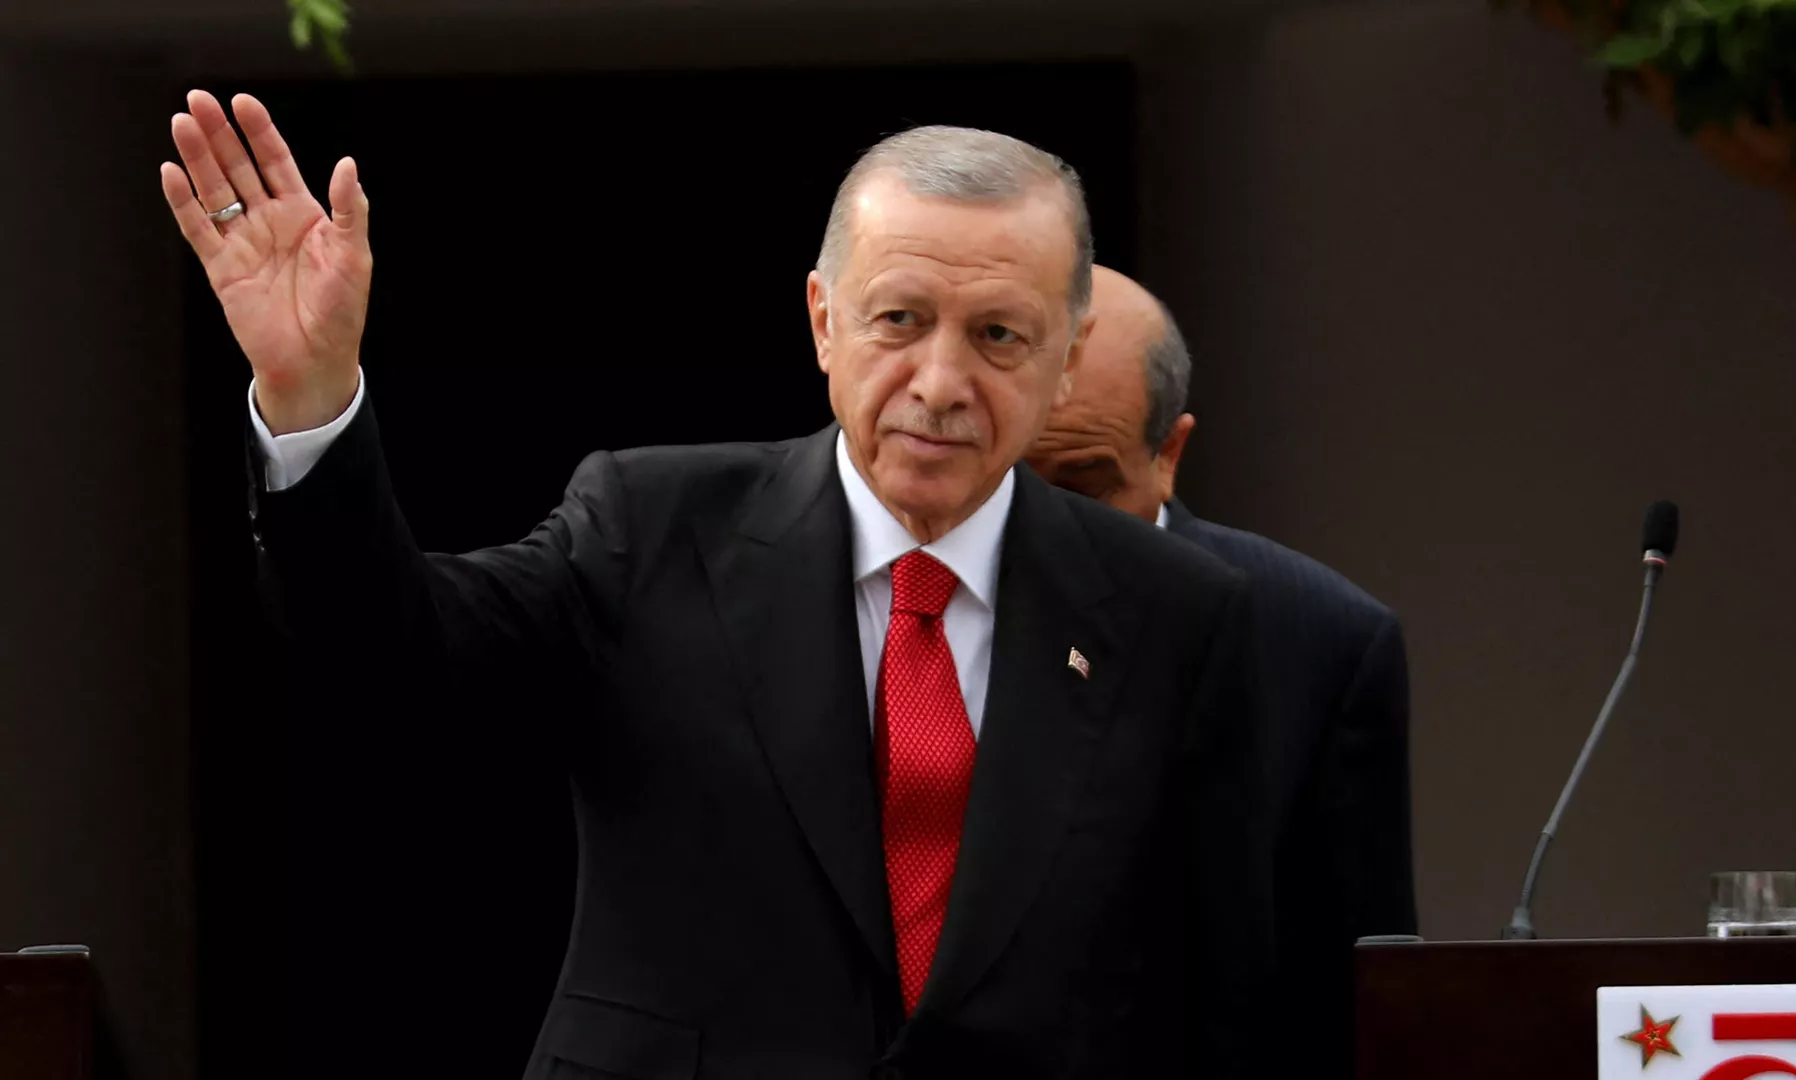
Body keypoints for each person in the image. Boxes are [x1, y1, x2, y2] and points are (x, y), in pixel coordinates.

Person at [160, 93, 1263, 1078]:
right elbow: (386, 651)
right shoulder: (653, 528)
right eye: (899, 320)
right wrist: (309, 399)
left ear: (1067, 357)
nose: (940, 381)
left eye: (998, 336)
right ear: (824, 320)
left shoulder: (1175, 614)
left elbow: (1212, 986)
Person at [1027, 266, 1417, 1079]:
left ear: (1169, 454)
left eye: (1083, 491)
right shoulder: (897, 598)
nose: (1040, 531)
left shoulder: (1317, 639)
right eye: (1010, 487)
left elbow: (1349, 1006)